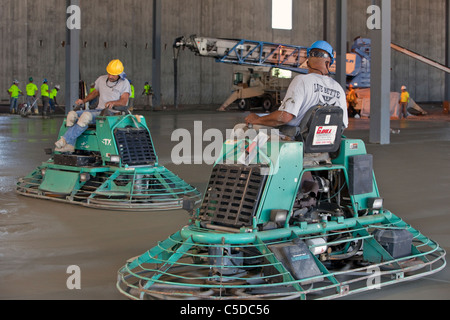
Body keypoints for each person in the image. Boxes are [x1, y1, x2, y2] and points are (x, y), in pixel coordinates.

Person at [241, 40, 348, 139]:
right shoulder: (339, 89)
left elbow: (284, 117)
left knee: (241, 129)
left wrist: (257, 119)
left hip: (297, 143)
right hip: (326, 146)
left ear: (307, 62)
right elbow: (343, 124)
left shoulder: (301, 81)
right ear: (329, 64)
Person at [54, 59, 131, 153]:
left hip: (111, 114)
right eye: (109, 73)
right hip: (99, 111)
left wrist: (113, 103)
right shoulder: (101, 79)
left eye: (113, 75)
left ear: (119, 74)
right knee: (72, 115)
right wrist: (83, 100)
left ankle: (65, 140)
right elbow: (94, 93)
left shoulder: (124, 83)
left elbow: (124, 101)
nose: (110, 76)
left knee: (86, 117)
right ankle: (70, 145)